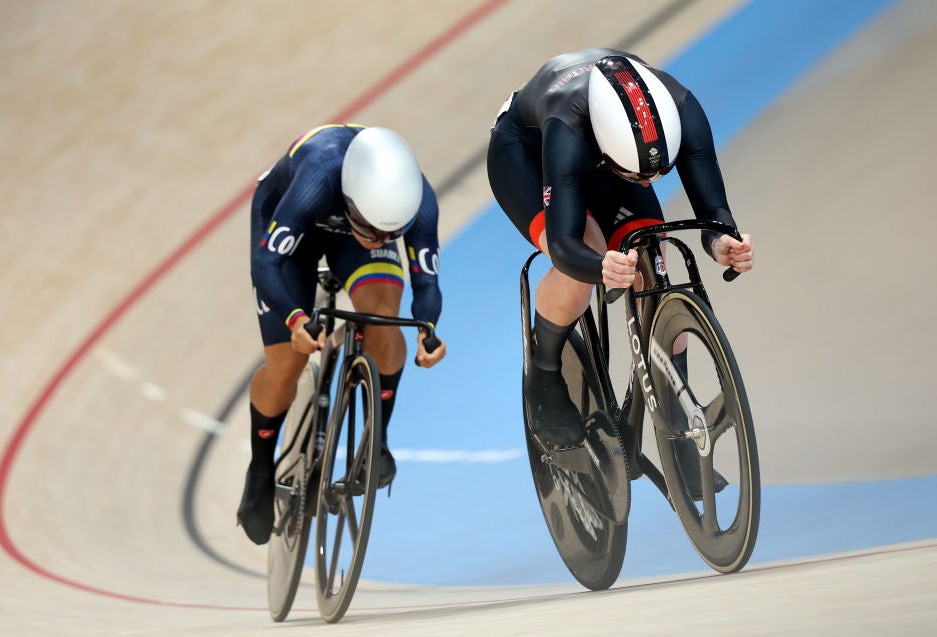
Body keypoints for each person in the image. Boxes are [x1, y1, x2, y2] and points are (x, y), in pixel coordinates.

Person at [487, 48, 754, 454]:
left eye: (657, 174)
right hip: (526, 151)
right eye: (639, 176)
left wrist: (722, 241)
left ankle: (674, 418)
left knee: (652, 256)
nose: (648, 183)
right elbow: (564, 245)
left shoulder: (681, 107)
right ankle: (544, 372)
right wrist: (598, 265)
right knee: (588, 250)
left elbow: (713, 209)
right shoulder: (566, 126)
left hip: (610, 151)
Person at [237, 124, 447, 545]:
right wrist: (297, 319)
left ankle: (377, 441)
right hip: (290, 223)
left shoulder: (416, 201)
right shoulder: (318, 175)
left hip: (349, 229)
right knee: (287, 363)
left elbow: (426, 283)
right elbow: (266, 265)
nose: (382, 243)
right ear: (351, 201)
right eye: (375, 231)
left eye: (391, 235)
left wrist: (428, 331)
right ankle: (261, 466)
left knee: (383, 320)